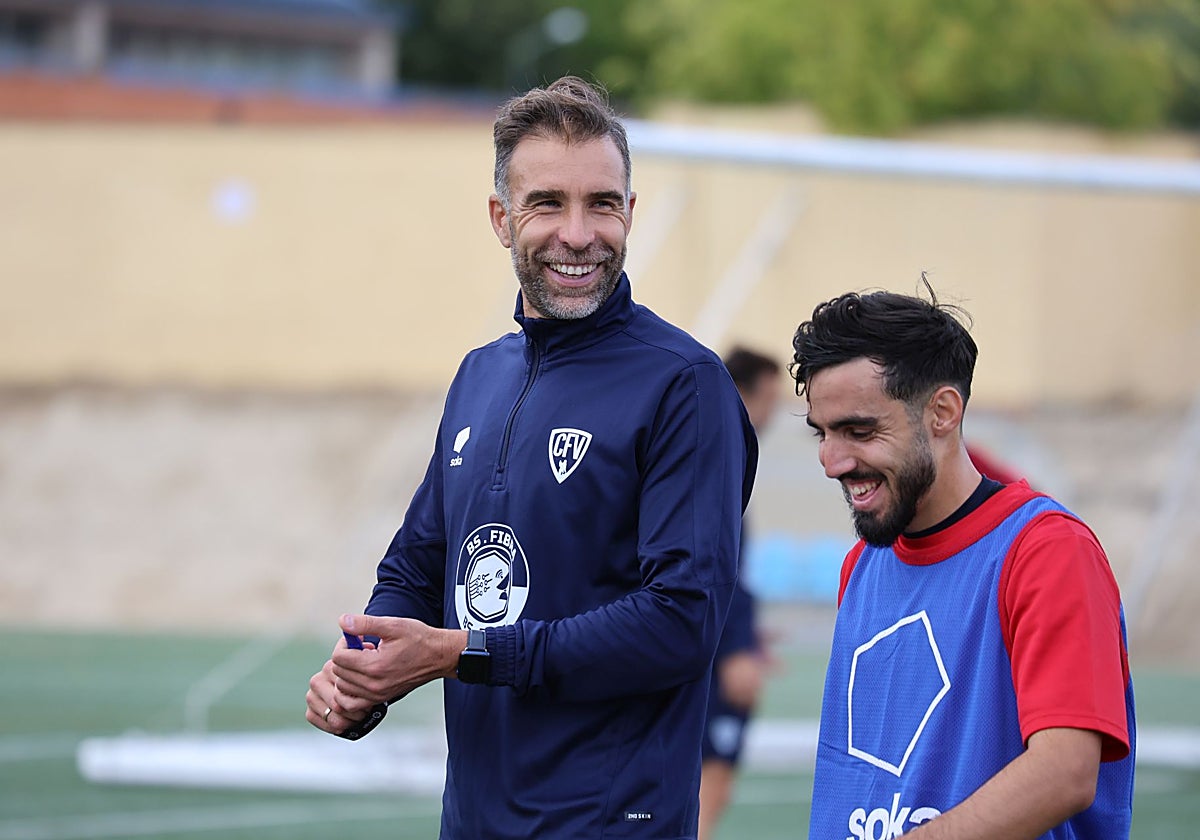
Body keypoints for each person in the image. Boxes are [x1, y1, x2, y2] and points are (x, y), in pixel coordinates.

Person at [304, 76, 757, 839]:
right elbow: (420, 564)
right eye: (547, 203)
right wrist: (367, 668)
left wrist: (464, 652)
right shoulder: (481, 374)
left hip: (609, 824)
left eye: (601, 204)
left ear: (629, 213)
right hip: (473, 822)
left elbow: (681, 623)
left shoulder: (685, 384)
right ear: (501, 217)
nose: (577, 234)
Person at [790, 281, 1135, 838]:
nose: (833, 461)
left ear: (943, 412)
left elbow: (1066, 771)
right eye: (823, 434)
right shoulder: (862, 565)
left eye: (859, 431)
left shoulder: (1046, 551)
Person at [698, 347, 781, 840]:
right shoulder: (711, 460)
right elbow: (709, 569)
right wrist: (734, 648)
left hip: (705, 645)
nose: (773, 414)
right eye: (770, 399)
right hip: (705, 658)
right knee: (709, 780)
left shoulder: (722, 459)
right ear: (743, 396)